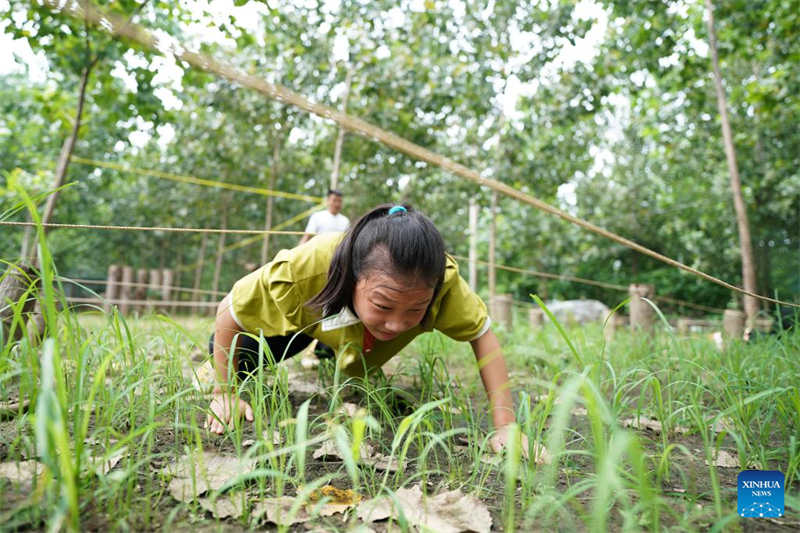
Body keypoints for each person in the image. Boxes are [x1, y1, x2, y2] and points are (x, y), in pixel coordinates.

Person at [205, 204, 544, 461]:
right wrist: (224, 392)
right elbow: (229, 310)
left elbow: (482, 334)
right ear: (353, 278)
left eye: (415, 309)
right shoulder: (307, 267)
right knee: (241, 356)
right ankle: (323, 345)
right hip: (312, 321)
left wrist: (506, 426)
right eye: (383, 305)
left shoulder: (446, 283)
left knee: (357, 363)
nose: (397, 324)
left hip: (361, 345)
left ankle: (338, 350)